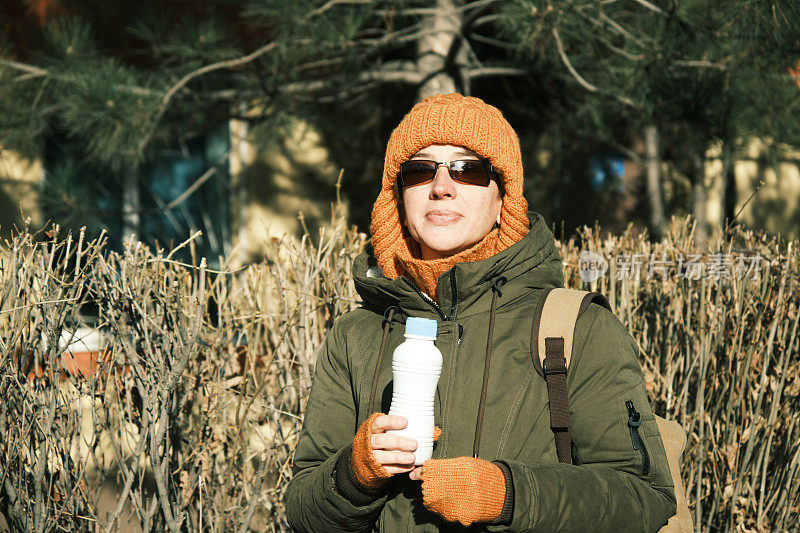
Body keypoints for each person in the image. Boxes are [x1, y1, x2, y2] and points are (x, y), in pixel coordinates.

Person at [284, 93, 677, 532]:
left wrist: (507, 494)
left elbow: (643, 498)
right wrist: (355, 474)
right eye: (419, 169)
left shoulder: (573, 327)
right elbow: (303, 512)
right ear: (398, 197)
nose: (441, 186)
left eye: (468, 169)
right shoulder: (357, 335)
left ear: (502, 197)